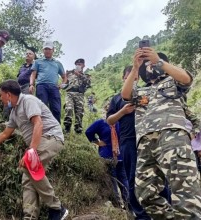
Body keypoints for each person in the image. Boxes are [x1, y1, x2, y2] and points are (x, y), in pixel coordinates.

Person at [121, 47, 201, 219]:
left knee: (185, 193)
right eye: (147, 65)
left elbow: (186, 79)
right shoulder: (141, 91)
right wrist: (135, 68)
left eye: (153, 64)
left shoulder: (173, 82)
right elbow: (125, 94)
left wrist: (159, 61)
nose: (150, 67)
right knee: (145, 193)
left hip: (172, 137)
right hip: (145, 143)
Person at [0, 80, 68, 220]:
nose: (0, 98)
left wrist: (30, 152)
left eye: (1, 95)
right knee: (28, 178)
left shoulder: (28, 101)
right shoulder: (14, 112)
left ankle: (57, 208)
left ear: (9, 94)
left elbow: (38, 124)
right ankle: (30, 216)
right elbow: (5, 134)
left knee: (28, 167)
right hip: (41, 142)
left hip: (51, 137)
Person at [106, 66, 152, 219]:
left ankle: (161, 211)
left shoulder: (146, 93)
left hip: (149, 138)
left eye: (136, 76)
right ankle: (141, 215)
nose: (133, 79)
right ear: (124, 78)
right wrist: (123, 111)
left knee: (155, 176)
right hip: (128, 141)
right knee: (132, 178)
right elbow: (110, 120)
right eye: (129, 76)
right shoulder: (117, 98)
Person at [85, 112, 129, 209]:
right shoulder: (100, 123)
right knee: (112, 181)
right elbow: (88, 132)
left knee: (124, 180)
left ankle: (128, 205)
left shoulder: (120, 121)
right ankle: (117, 206)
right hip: (107, 157)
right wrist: (98, 142)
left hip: (121, 157)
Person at [29, 41, 67, 123]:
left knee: (56, 109)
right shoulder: (37, 61)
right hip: (41, 86)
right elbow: (33, 74)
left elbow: (64, 77)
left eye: (49, 49)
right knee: (42, 108)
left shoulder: (57, 63)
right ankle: (42, 128)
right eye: (45, 49)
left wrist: (61, 85)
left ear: (53, 50)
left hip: (54, 87)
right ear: (43, 50)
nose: (47, 51)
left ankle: (56, 130)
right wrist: (31, 84)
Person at [63, 58, 90, 134]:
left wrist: (80, 75)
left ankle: (78, 130)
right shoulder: (70, 73)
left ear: (83, 65)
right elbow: (65, 82)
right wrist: (62, 85)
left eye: (80, 64)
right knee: (69, 109)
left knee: (79, 113)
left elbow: (88, 83)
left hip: (79, 95)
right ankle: (67, 128)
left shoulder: (86, 75)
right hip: (70, 93)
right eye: (77, 64)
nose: (78, 65)